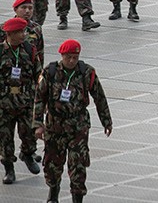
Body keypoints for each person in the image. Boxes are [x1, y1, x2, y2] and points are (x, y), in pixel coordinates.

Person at [34, 39, 112, 203]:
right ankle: (53, 194)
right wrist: (38, 124)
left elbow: (99, 97)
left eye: (75, 57)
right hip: (55, 126)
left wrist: (106, 121)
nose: (71, 61)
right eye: (68, 57)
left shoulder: (86, 73)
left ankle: (77, 197)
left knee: (78, 165)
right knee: (52, 163)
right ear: (62, 55)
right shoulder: (50, 72)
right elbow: (40, 98)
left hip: (78, 127)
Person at [0, 17, 42, 185]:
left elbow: (38, 75)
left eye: (24, 31)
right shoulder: (1, 51)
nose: (24, 34)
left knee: (29, 133)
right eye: (20, 32)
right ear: (10, 34)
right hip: (4, 103)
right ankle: (9, 168)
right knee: (5, 138)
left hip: (25, 101)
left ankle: (27, 154)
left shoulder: (30, 50)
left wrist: (41, 97)